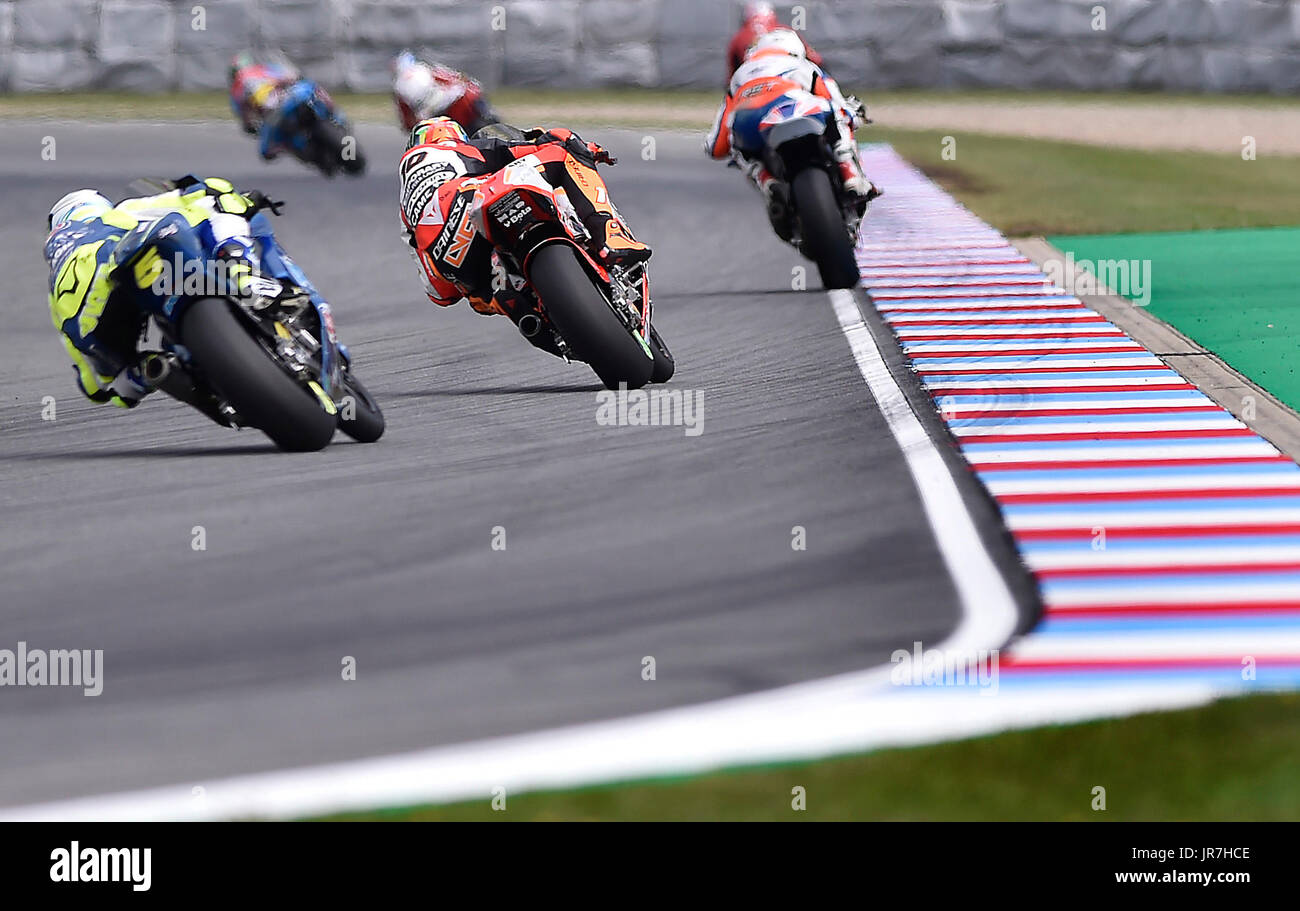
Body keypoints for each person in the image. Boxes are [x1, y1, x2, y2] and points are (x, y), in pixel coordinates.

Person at [43, 177, 292, 417]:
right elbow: (193, 198)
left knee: (120, 386)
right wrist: (239, 200)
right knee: (216, 198)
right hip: (120, 267)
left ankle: (148, 372)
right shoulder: (115, 214)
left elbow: (94, 388)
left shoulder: (54, 288)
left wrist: (122, 384)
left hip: (89, 323)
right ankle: (245, 274)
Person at [397, 116, 646, 356]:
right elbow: (532, 147)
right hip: (474, 199)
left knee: (482, 297)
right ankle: (610, 236)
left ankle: (526, 309)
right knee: (564, 153)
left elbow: (441, 294)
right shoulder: (455, 149)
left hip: (450, 258)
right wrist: (581, 148)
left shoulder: (405, 207)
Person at [706, 28, 879, 230]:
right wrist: (855, 113)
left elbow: (716, 146)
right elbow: (838, 103)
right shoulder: (804, 65)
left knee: (738, 145)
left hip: (750, 120)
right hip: (798, 107)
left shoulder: (739, 77)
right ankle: (851, 175)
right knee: (838, 115)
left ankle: (767, 182)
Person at [228, 50, 323, 162]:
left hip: (277, 110)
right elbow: (291, 75)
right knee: (268, 151)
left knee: (267, 152)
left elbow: (245, 118)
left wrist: (250, 127)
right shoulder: (264, 69)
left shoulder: (238, 88)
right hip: (281, 107)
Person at [392, 51, 500, 135]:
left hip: (436, 115)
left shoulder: (398, 86)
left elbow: (408, 121)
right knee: (472, 91)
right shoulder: (424, 68)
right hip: (454, 102)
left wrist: (418, 124)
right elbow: (453, 78)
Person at [726, 1, 822, 79]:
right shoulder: (786, 32)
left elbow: (732, 77)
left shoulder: (738, 38)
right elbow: (816, 59)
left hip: (752, 86)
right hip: (789, 82)